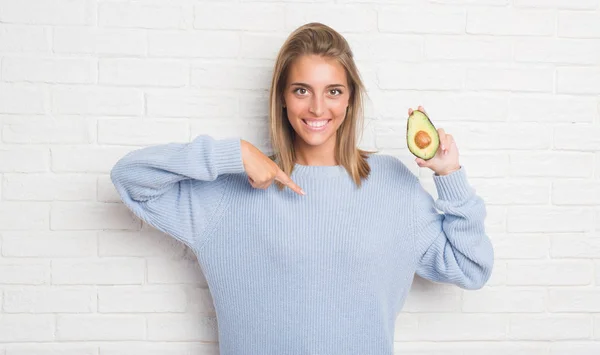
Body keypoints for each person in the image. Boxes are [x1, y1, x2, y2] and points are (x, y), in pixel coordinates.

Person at [111, 22, 494, 355]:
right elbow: (131, 179)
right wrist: (234, 153)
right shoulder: (231, 190)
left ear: (350, 99)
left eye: (333, 91)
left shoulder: (391, 185)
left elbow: (471, 267)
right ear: (281, 97)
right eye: (301, 90)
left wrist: (450, 176)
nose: (316, 108)